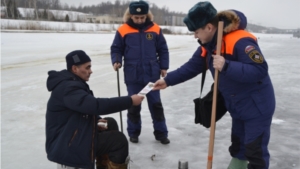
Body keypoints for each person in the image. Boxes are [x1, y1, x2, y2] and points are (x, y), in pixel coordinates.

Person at [153, 2, 275, 169]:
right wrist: (167, 80)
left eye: (196, 32)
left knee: (255, 152)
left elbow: (260, 69)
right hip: (237, 106)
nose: (195, 36)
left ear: (209, 27)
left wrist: (227, 65)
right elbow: (192, 67)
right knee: (238, 145)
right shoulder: (209, 45)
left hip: (257, 106)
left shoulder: (239, 41)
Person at [45, 50, 144, 169]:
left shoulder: (73, 83)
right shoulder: (68, 88)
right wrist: (130, 101)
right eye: (87, 67)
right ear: (75, 69)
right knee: (118, 141)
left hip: (74, 132)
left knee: (109, 123)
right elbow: (95, 106)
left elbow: (85, 109)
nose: (90, 71)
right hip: (68, 143)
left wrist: (98, 120)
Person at [110, 0, 170, 144]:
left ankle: (161, 134)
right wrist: (116, 60)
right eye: (136, 17)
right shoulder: (123, 30)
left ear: (146, 15)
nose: (139, 20)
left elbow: (162, 49)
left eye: (142, 17)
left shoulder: (155, 29)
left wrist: (164, 66)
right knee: (133, 105)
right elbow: (116, 48)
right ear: (131, 16)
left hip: (151, 76)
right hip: (133, 76)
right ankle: (134, 133)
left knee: (156, 106)